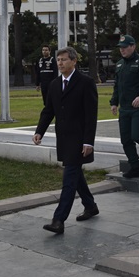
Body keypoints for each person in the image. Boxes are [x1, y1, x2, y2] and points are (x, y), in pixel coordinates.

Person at [33, 46, 98, 235]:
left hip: (79, 140)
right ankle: (90, 205)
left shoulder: (86, 82)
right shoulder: (54, 84)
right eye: (58, 60)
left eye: (64, 60)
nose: (60, 63)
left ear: (74, 61)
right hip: (63, 138)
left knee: (69, 179)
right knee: (75, 175)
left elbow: (91, 115)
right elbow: (48, 111)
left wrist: (88, 142)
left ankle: (58, 220)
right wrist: (39, 131)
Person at [109, 34, 139, 179]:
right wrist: (114, 102)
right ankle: (135, 167)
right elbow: (117, 86)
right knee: (126, 140)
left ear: (133, 46)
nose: (122, 50)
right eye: (120, 47)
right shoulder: (119, 64)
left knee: (138, 136)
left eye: (125, 47)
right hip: (124, 108)